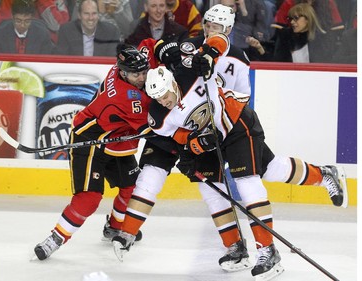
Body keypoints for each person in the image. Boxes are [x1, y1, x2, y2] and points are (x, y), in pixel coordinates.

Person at [111, 3, 345, 273]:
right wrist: (191, 148)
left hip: (235, 125)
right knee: (217, 189)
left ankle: (268, 251)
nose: (165, 102)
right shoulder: (171, 88)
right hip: (209, 135)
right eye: (209, 24)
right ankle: (236, 248)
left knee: (251, 181)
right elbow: (178, 133)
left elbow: (223, 53)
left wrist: (210, 58)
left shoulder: (211, 62)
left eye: (219, 27)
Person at [33, 45, 152, 260]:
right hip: (89, 140)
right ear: (124, 72)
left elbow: (147, 48)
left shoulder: (119, 71)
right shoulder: (128, 99)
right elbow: (155, 127)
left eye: (144, 72)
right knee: (89, 198)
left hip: (114, 140)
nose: (142, 78)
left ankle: (114, 227)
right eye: (137, 74)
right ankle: (56, 238)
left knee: (132, 188)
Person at [248, 3, 334, 62]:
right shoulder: (285, 36)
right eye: (290, 19)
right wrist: (260, 48)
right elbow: (276, 64)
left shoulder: (321, 38)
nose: (292, 22)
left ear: (307, 19)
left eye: (296, 18)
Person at [54, 0, 121, 56]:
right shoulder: (66, 31)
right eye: (86, 13)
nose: (90, 18)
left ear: (98, 15)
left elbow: (112, 61)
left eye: (94, 13)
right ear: (79, 15)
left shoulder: (111, 32)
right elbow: (61, 60)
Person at [0, 0, 70, 43]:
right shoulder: (9, 1)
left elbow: (58, 26)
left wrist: (43, 2)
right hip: (15, 47)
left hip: (48, 48)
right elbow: (2, 30)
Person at [124, 0, 189, 47]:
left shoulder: (180, 32)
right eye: (153, 6)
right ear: (146, 7)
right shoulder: (135, 28)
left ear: (166, 8)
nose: (158, 10)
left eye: (161, 6)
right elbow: (128, 51)